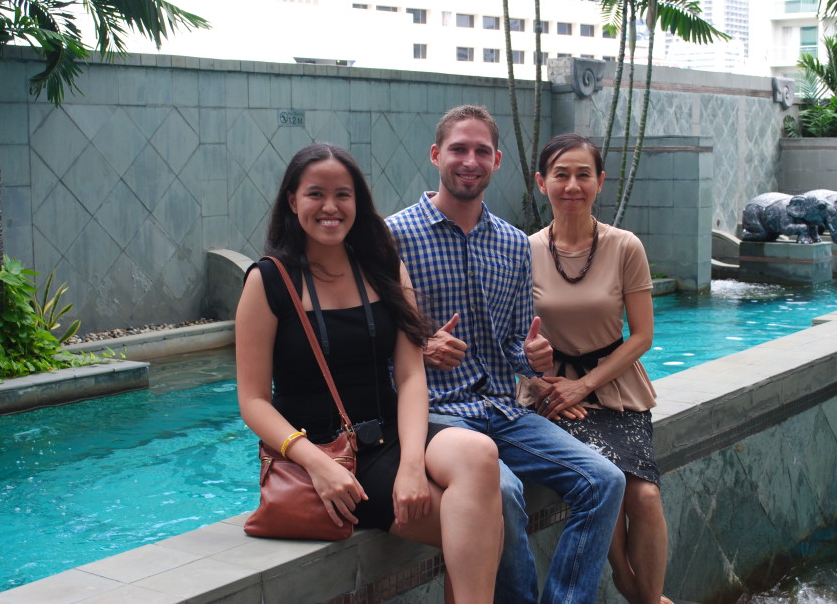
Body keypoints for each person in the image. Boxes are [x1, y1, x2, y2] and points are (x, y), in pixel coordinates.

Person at [235, 143, 502, 604]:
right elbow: (253, 400)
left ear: (358, 203)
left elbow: (412, 375)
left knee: (479, 452)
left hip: (391, 439)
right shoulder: (268, 282)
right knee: (484, 525)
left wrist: (414, 468)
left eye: (343, 194)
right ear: (292, 201)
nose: (330, 207)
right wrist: (319, 466)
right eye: (315, 194)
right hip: (326, 454)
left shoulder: (382, 268)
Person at [386, 106, 625, 604]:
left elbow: (517, 344)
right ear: (436, 155)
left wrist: (533, 356)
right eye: (458, 149)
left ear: (496, 161)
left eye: (480, 152)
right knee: (507, 494)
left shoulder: (514, 244)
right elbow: (371, 344)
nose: (469, 161)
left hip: (503, 408)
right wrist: (422, 347)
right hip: (439, 416)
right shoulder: (394, 238)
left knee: (605, 480)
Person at [521, 133, 671, 604]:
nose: (572, 185)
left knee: (643, 495)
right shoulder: (521, 250)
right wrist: (548, 389)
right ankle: (630, 585)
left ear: (600, 182)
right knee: (605, 483)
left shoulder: (625, 246)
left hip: (612, 389)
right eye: (560, 174)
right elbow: (513, 340)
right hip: (551, 396)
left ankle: (644, 594)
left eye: (583, 174)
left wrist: (583, 385)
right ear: (542, 182)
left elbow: (642, 335)